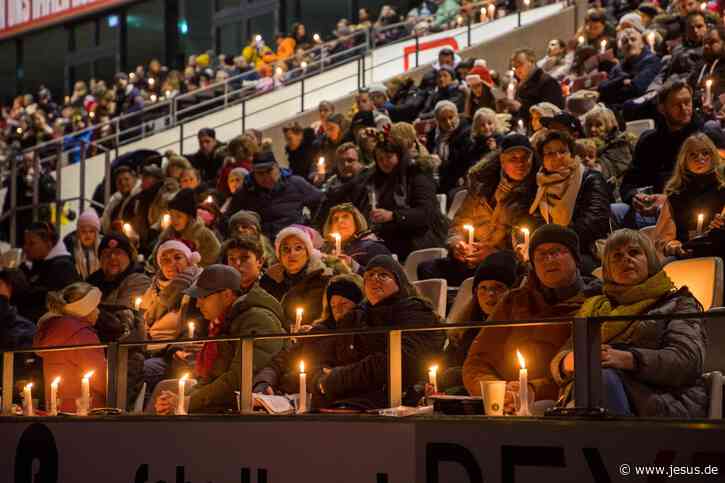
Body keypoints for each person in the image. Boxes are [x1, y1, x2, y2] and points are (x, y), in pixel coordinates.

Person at [552, 229, 707, 417]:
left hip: (664, 402)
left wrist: (628, 359)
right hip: (594, 395)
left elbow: (688, 361)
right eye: (616, 256)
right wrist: (567, 362)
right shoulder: (594, 307)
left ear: (649, 260)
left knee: (602, 377)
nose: (626, 259)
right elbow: (560, 357)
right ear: (607, 270)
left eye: (634, 252)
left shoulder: (678, 303)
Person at [463, 225, 602, 412]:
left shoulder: (594, 303)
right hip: (504, 401)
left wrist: (532, 390)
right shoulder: (514, 301)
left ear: (575, 259)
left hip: (560, 405)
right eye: (541, 255)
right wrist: (497, 391)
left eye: (556, 252)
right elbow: (478, 360)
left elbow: (584, 370)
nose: (549, 260)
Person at [313, 255, 443, 408]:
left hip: (397, 398)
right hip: (351, 393)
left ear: (398, 281)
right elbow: (328, 355)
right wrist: (319, 378)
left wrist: (338, 378)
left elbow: (396, 361)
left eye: (383, 275)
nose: (375, 278)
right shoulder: (355, 316)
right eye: (369, 275)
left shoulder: (415, 312)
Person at [154, 265, 286, 414]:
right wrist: (180, 400)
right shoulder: (224, 322)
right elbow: (212, 377)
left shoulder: (257, 320)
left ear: (227, 295)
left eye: (204, 297)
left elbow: (239, 379)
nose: (198, 304)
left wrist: (188, 402)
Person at [418, 134, 538, 286]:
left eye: (525, 158)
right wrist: (458, 244)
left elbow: (525, 248)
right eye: (513, 158)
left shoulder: (534, 193)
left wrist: (495, 254)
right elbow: (459, 222)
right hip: (471, 258)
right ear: (502, 160)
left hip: (505, 265)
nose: (520, 163)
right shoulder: (483, 185)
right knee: (427, 269)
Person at [252, 274, 364, 405]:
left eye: (344, 304)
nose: (338, 310)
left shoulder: (359, 337)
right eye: (333, 306)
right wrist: (263, 383)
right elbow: (279, 362)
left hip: (327, 402)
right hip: (289, 397)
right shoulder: (316, 333)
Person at [618, 79, 702, 228]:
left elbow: (708, 189)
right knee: (613, 211)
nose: (684, 109)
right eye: (677, 105)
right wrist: (635, 197)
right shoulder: (649, 141)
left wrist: (668, 200)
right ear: (662, 109)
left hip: (689, 212)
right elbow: (629, 183)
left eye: (687, 102)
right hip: (651, 209)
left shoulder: (704, 137)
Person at [530, 130, 612, 273]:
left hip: (588, 249)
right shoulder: (541, 186)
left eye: (562, 151)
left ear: (572, 154)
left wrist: (559, 244)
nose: (557, 157)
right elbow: (538, 222)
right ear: (542, 159)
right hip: (553, 251)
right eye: (549, 153)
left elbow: (595, 221)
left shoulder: (591, 178)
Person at [442, 251, 519, 394]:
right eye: (483, 288)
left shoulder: (517, 327)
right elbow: (444, 365)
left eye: (498, 288)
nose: (490, 294)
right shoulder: (465, 327)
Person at [34, 283, 107, 412]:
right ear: (86, 310)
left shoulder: (52, 330)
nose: (99, 311)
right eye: (96, 307)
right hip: (88, 411)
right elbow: (103, 381)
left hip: (57, 409)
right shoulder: (82, 335)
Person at [141, 240, 203, 391]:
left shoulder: (196, 286)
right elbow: (140, 322)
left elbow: (195, 328)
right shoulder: (153, 289)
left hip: (171, 354)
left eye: (177, 257)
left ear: (189, 260)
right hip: (146, 350)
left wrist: (175, 349)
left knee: (139, 371)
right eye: (165, 260)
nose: (171, 264)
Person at [260, 226, 349, 330]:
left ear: (308, 253)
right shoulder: (269, 280)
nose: (292, 254)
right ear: (279, 255)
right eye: (286, 249)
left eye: (298, 248)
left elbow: (320, 315)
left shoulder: (323, 279)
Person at [654, 133, 725, 258]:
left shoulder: (722, 188)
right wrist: (675, 248)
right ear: (684, 161)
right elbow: (663, 240)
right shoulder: (675, 195)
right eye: (693, 155)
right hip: (687, 260)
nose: (700, 158)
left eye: (705, 153)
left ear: (713, 156)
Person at [226, 151, 323, 240]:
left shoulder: (296, 184)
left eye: (269, 171)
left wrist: (313, 227)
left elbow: (321, 202)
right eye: (260, 173)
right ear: (254, 173)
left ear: (277, 167)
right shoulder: (244, 193)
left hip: (294, 241)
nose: (265, 177)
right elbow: (229, 220)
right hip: (262, 245)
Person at [19, 222, 81, 322]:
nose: (25, 248)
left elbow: (51, 303)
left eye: (31, 243)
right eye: (25, 243)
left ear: (48, 244)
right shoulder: (38, 262)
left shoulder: (63, 267)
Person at [155, 188, 221, 267]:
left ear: (189, 218)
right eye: (172, 216)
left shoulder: (204, 235)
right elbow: (156, 257)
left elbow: (214, 257)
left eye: (179, 216)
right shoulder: (167, 235)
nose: (174, 220)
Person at [598, 28, 662, 107]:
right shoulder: (619, 67)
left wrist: (613, 87)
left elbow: (636, 89)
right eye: (625, 41)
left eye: (633, 39)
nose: (629, 43)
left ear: (642, 44)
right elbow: (602, 89)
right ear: (620, 48)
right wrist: (622, 80)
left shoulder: (651, 61)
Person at [582, 104, 634, 201]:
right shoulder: (584, 145)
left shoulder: (621, 143)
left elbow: (612, 170)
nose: (592, 129)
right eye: (589, 125)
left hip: (618, 193)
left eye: (598, 125)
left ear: (609, 124)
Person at [86, 233, 150, 310]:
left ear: (129, 257)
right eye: (106, 253)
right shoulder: (91, 282)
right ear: (100, 259)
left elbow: (123, 313)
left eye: (118, 252)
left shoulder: (140, 281)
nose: (112, 257)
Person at [501, 48, 565, 124]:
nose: (517, 70)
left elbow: (551, 113)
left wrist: (520, 108)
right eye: (514, 67)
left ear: (532, 62)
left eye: (520, 64)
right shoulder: (521, 86)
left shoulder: (547, 82)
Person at [321, 203, 391, 271]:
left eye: (345, 216)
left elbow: (386, 277)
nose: (340, 221)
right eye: (336, 219)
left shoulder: (372, 247)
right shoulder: (325, 250)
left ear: (356, 222)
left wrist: (354, 266)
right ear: (331, 227)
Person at [426, 100, 472, 195]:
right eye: (443, 120)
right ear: (437, 121)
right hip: (436, 176)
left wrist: (440, 164)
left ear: (457, 115)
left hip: (455, 178)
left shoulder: (467, 133)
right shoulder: (432, 134)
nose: (448, 122)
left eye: (451, 117)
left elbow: (461, 164)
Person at [64, 209, 103, 280]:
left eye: (91, 231)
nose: (87, 235)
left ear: (96, 234)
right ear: (78, 233)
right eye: (83, 231)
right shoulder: (70, 249)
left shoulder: (103, 248)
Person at [101, 166, 139, 234]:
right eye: (119, 181)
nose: (123, 183)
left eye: (126, 179)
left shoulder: (139, 198)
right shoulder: (115, 202)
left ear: (134, 179)